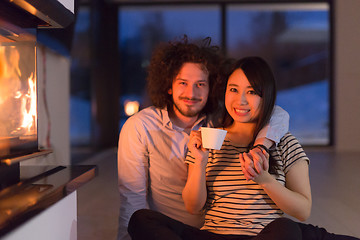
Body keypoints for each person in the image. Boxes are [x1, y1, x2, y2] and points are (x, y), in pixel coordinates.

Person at [127, 56, 360, 240]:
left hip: (267, 235)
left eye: (252, 92)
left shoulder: (284, 142)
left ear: (265, 95)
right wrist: (198, 163)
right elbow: (193, 207)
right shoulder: (210, 138)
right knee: (141, 220)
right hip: (214, 235)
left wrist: (264, 179)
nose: (241, 101)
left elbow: (303, 210)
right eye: (234, 89)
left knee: (286, 229)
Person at [117, 37, 289, 240]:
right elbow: (132, 198)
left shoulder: (218, 121)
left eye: (200, 84)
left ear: (212, 88)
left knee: (290, 229)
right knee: (140, 220)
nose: (191, 93)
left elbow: (277, 114)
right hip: (171, 232)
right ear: (169, 86)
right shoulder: (140, 126)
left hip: (217, 231)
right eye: (183, 83)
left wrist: (260, 147)